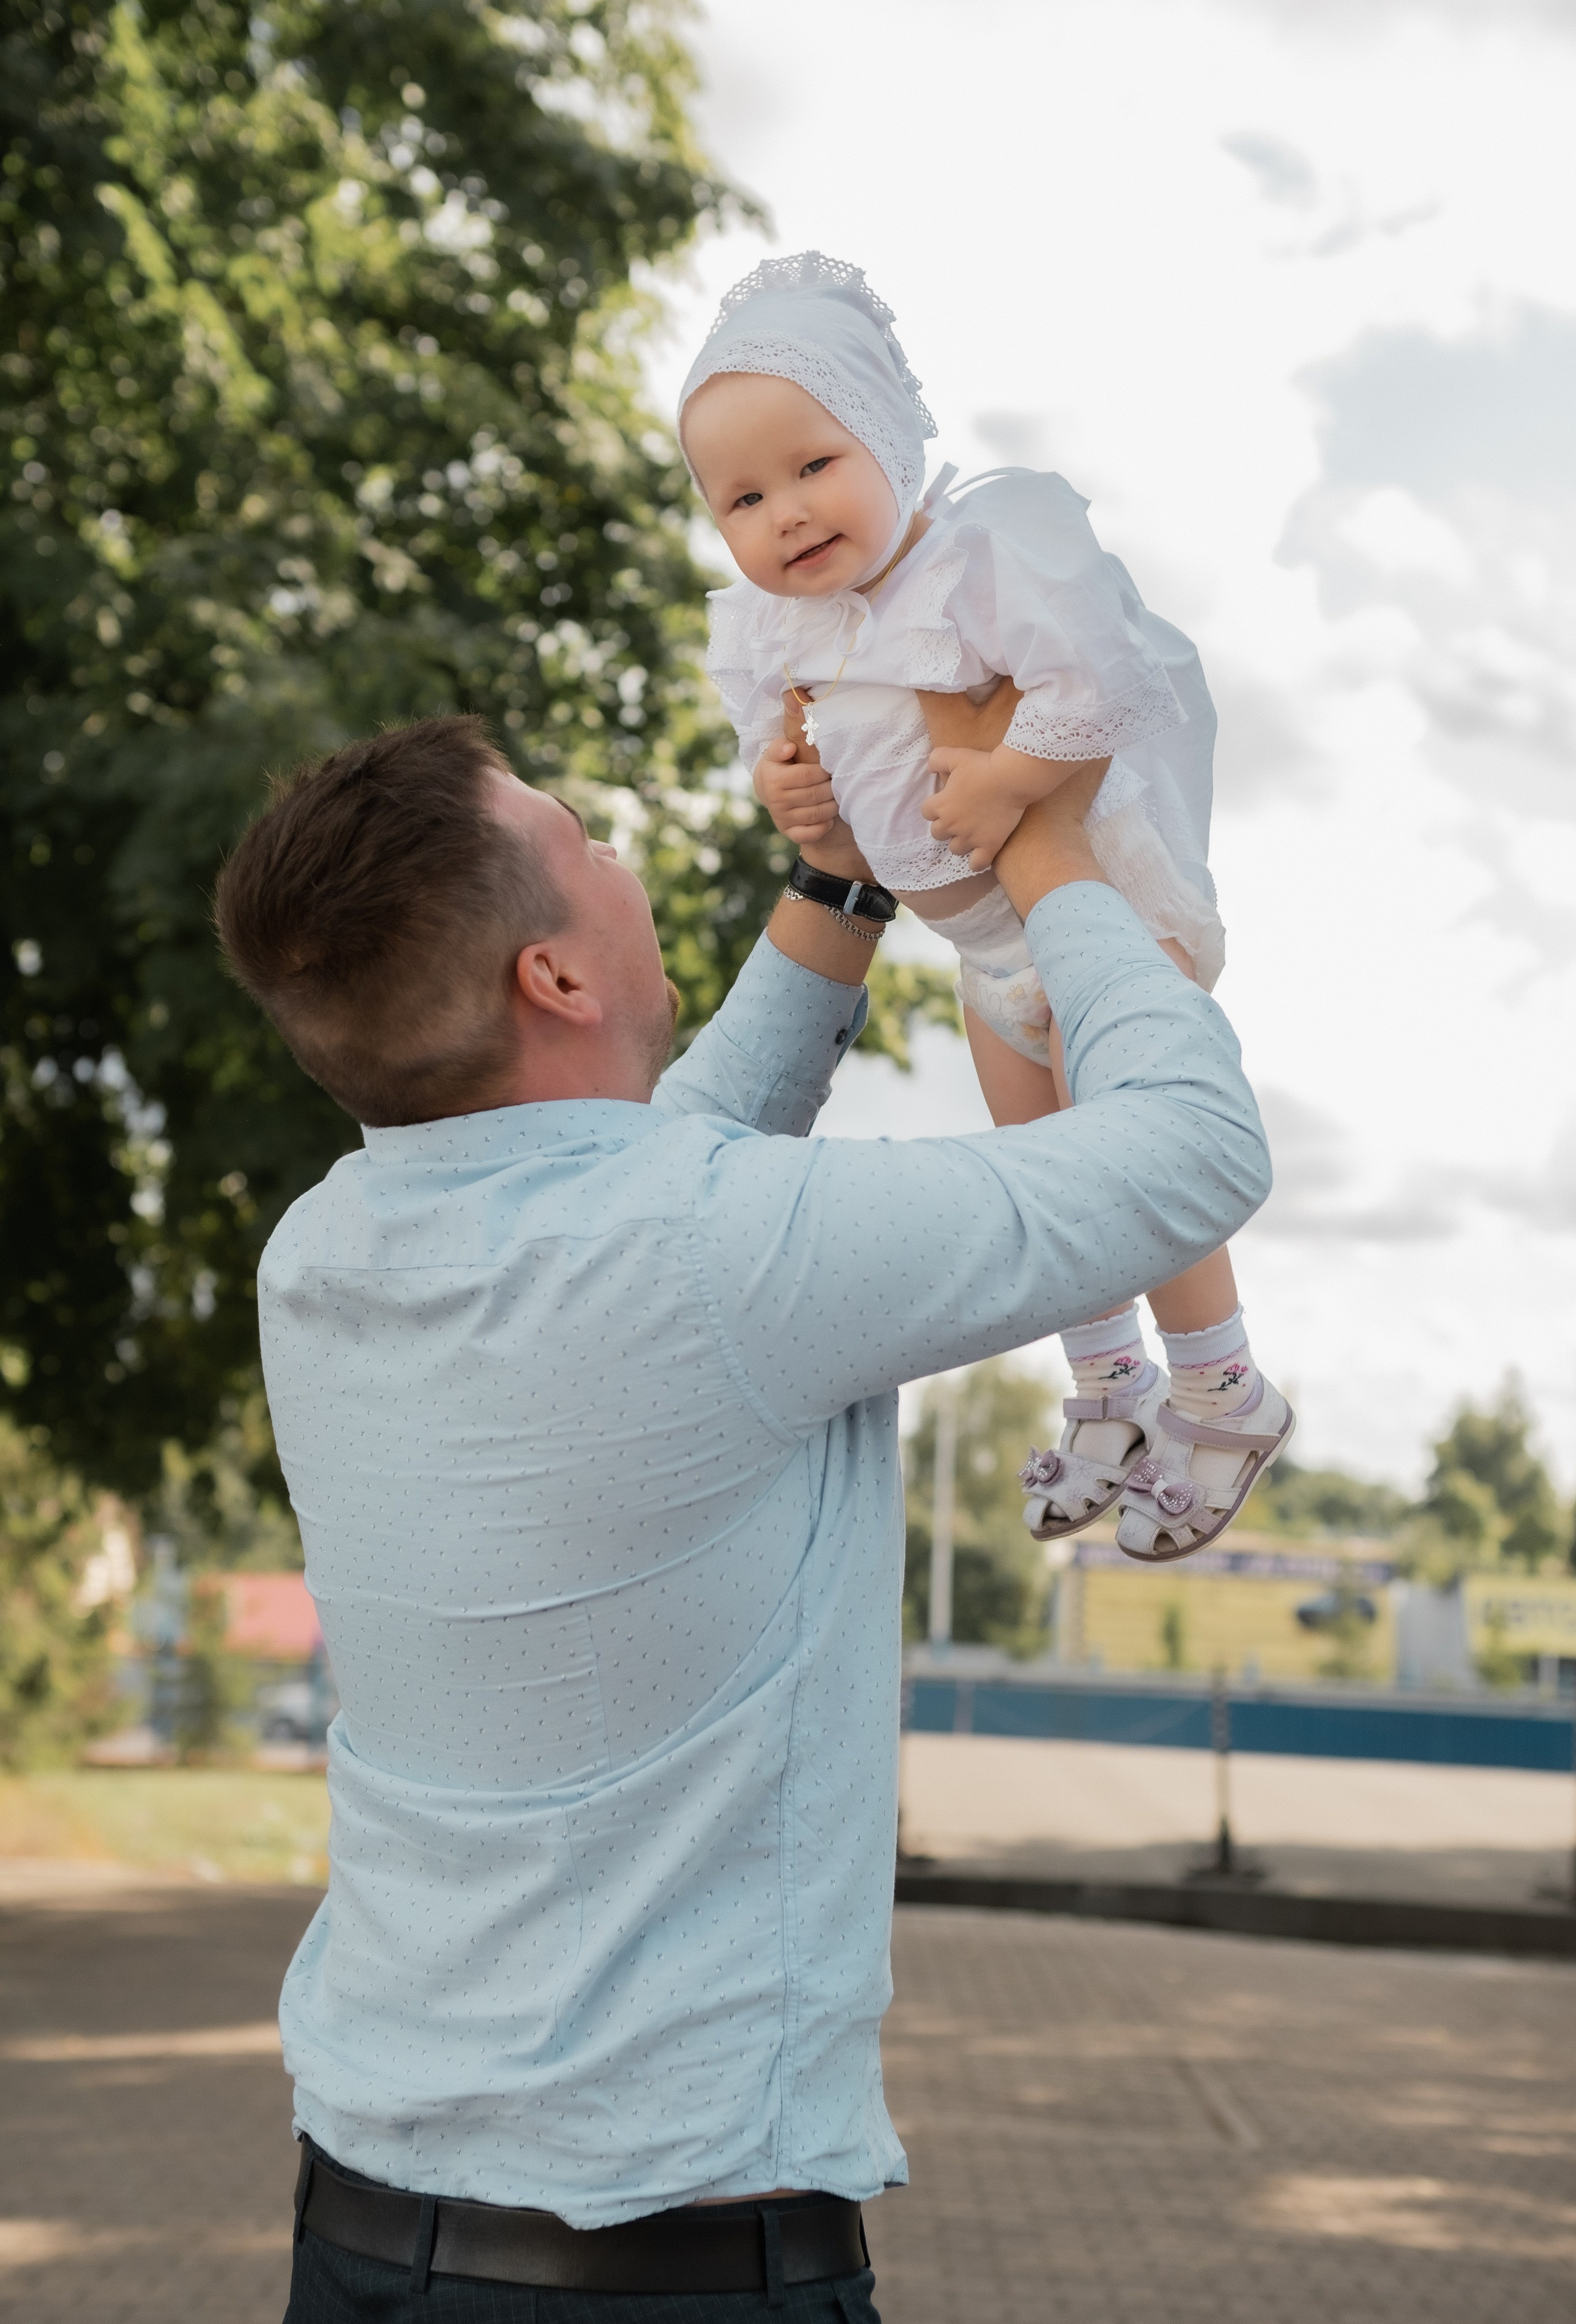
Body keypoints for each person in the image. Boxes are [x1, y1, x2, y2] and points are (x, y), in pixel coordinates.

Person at [214, 709, 1270, 2320]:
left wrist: (841, 887)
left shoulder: (326, 1255)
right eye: (587, 841)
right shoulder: (710, 1256)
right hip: (668, 2276)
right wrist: (1043, 841)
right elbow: (1192, 1152)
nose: (621, 858)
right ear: (552, 978)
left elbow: (651, 1167)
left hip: (366, 2227)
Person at [680, 251, 1293, 1561]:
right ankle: (1112, 1383)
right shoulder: (775, 630)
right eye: (740, 496)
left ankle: (1223, 1386)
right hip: (978, 942)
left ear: (889, 437)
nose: (782, 513)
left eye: (812, 465)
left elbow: (1107, 682)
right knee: (1041, 1169)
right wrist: (785, 788)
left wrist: (1015, 775)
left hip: (1094, 906)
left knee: (1128, 1158)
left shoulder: (977, 557)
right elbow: (790, 758)